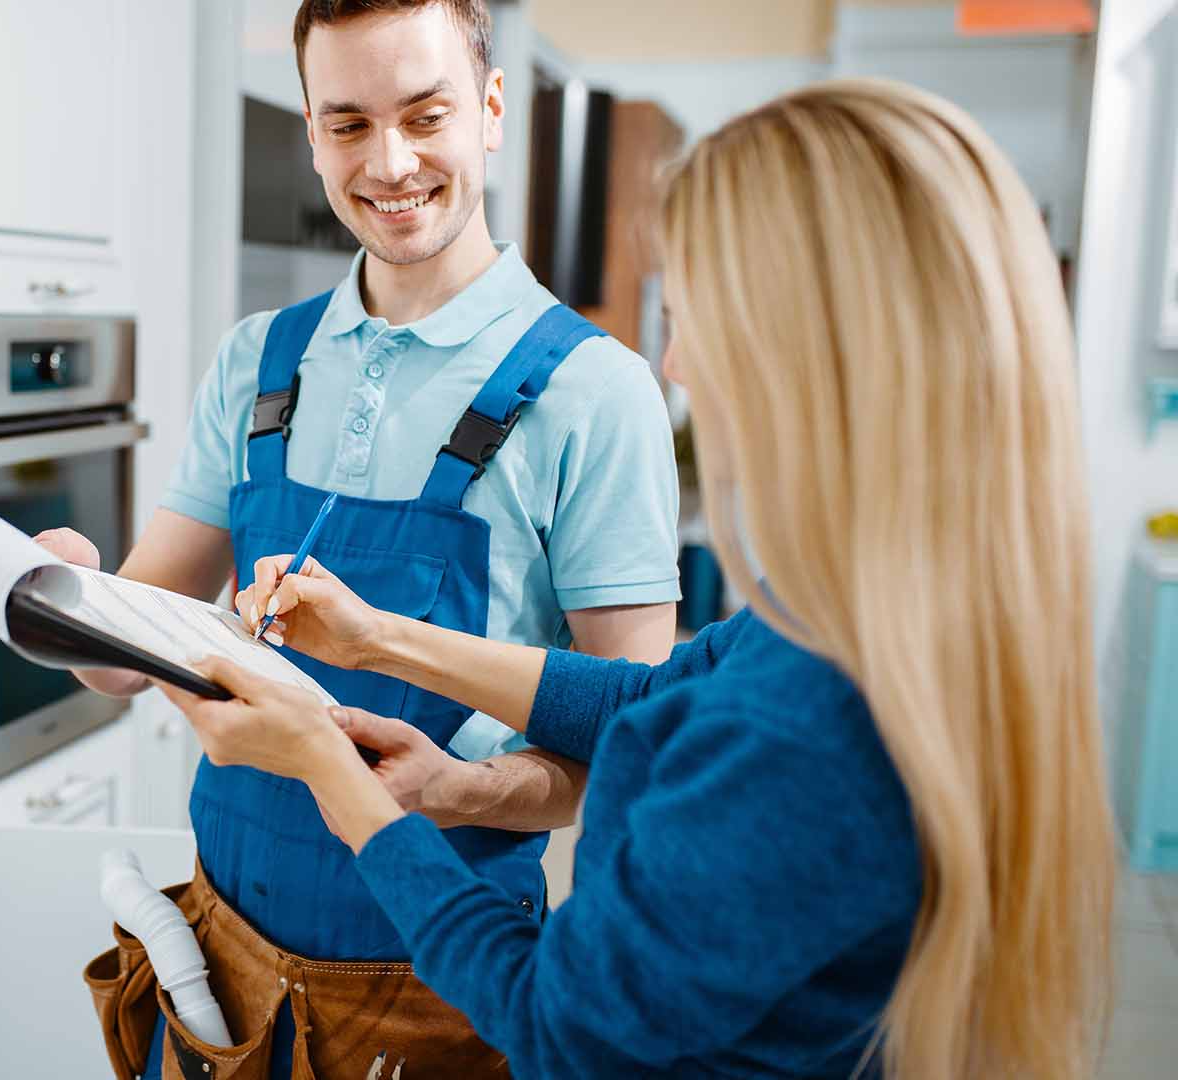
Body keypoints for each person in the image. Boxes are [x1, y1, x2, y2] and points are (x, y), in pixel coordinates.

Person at [161, 79, 1117, 1078]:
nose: (680, 359)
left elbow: (556, 1024)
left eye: (701, 314)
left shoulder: (799, 731)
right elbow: (649, 696)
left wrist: (328, 767)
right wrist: (378, 639)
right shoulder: (876, 624)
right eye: (347, 122)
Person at [58, 2, 683, 1076]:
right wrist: (66, 605)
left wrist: (453, 790)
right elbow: (126, 655)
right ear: (311, 132)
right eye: (347, 125)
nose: (389, 163)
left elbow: (638, 748)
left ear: (489, 110)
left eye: (423, 115)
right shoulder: (260, 361)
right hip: (218, 956)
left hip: (437, 986)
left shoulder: (597, 394)